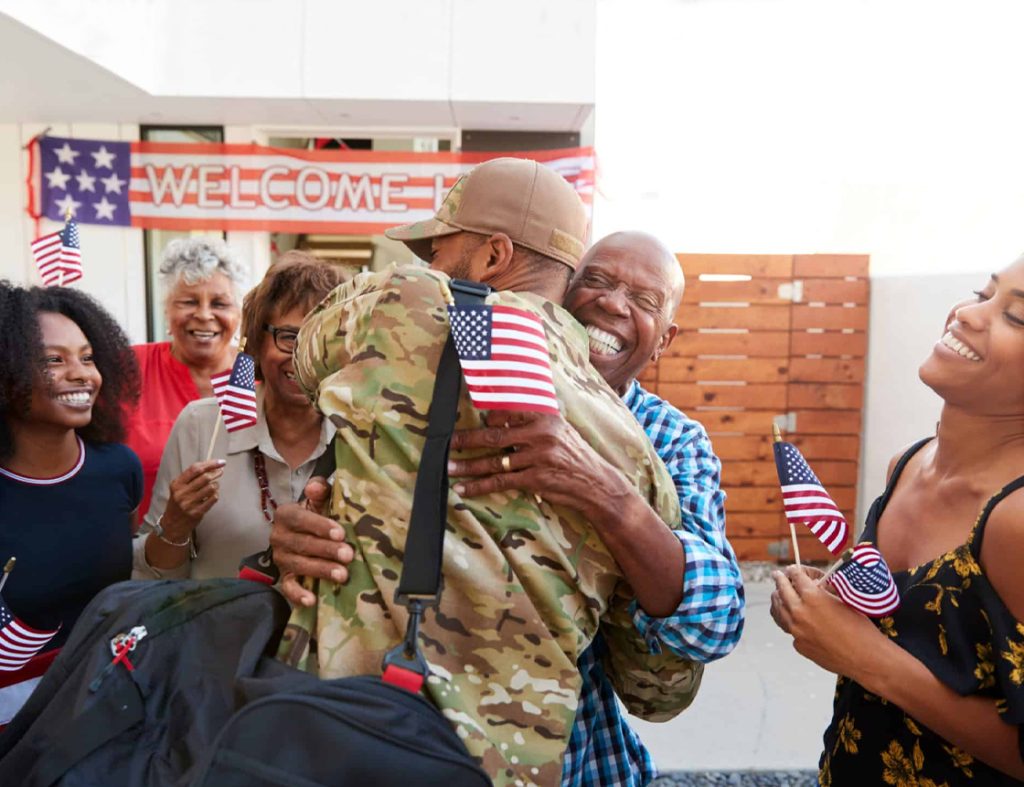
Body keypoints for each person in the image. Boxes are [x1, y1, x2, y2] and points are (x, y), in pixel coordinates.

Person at [273, 158, 696, 785]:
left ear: (493, 255)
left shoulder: (395, 303)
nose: (431, 268)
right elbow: (660, 688)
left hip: (345, 735)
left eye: (439, 252)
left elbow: (305, 361)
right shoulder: (635, 453)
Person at [770, 255, 1024, 784]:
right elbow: (914, 628)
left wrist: (864, 657)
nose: (969, 315)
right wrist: (826, 607)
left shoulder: (1014, 520)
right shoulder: (907, 464)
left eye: (1016, 318)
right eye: (983, 294)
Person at [133, 252, 344, 579]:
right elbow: (155, 577)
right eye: (289, 338)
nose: (306, 358)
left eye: (324, 340)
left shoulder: (364, 433)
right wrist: (175, 525)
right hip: (219, 627)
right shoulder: (202, 425)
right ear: (257, 341)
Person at [0, 282, 141, 724]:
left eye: (87, 357)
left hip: (101, 708)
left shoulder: (119, 467)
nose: (82, 375)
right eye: (53, 360)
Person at [124, 238, 245, 517]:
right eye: (189, 301)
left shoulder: (259, 377)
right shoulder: (127, 368)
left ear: (238, 313)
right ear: (166, 309)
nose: (204, 315)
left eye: (220, 303)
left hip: (239, 556)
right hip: (146, 550)